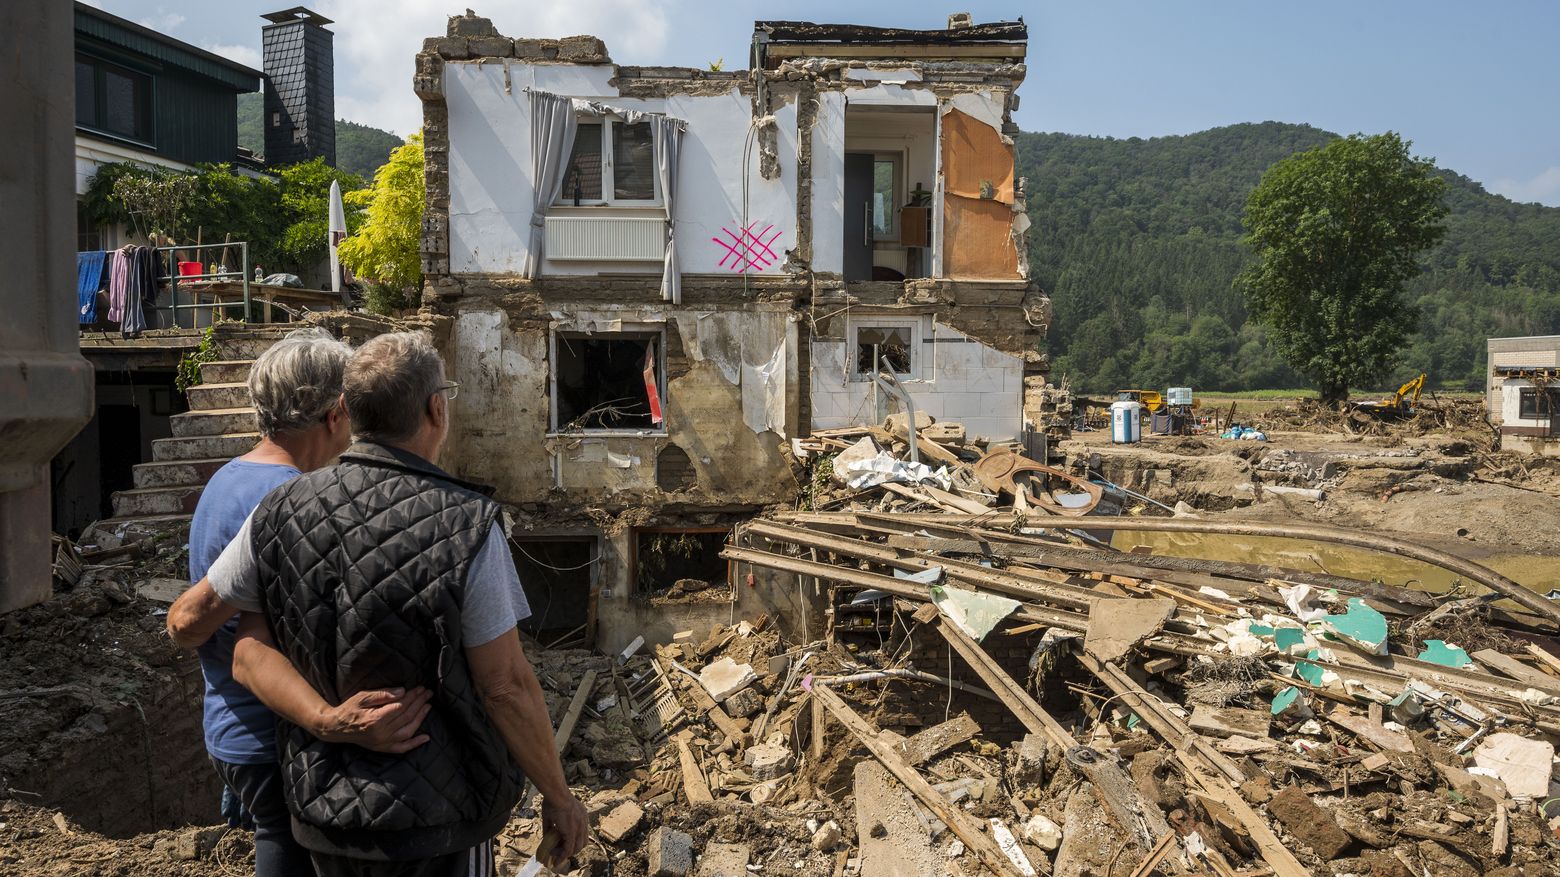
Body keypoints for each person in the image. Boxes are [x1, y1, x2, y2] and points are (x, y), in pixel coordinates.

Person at [197, 331, 588, 876]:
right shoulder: (467, 524)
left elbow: (244, 653)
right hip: (438, 818)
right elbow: (504, 686)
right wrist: (559, 796)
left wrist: (329, 720)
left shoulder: (278, 509)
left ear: (349, 412)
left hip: (323, 807)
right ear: (436, 409)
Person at [167, 328, 434, 877]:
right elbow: (245, 635)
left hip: (230, 727)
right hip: (277, 735)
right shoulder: (290, 501)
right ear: (338, 412)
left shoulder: (226, 480)